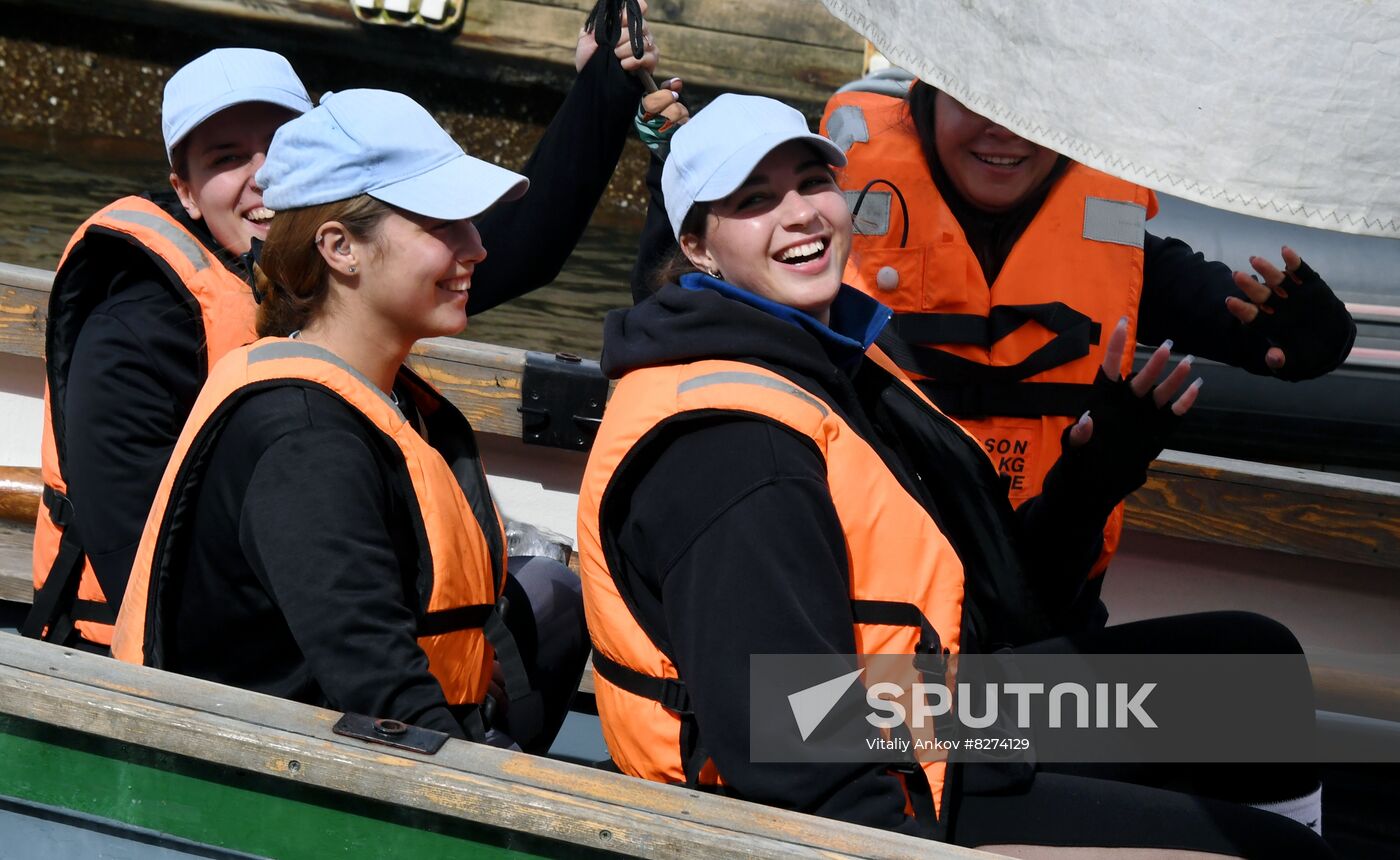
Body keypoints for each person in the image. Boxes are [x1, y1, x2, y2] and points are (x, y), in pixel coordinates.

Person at [577, 94, 1329, 855]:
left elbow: (1009, 602)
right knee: (1286, 857)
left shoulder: (836, 367)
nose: (801, 213)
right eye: (755, 201)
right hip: (881, 787)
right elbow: (794, 750)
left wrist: (1103, 463)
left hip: (930, 710)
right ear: (698, 247)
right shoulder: (739, 455)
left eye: (812, 184)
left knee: (1250, 667)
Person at [29, 24, 666, 650]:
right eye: (226, 158)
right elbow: (139, 566)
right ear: (185, 192)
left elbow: (522, 243)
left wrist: (603, 86)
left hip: (336, 605)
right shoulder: (128, 336)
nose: (262, 176)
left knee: (552, 594)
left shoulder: (341, 273)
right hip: (163, 656)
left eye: (280, 145)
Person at [110, 89, 586, 751]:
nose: (477, 247)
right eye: (442, 225)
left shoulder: (368, 399)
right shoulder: (306, 443)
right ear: (339, 248)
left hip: (364, 754)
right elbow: (389, 706)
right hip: (269, 800)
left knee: (555, 597)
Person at [819, 82, 1357, 627]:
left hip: (1035, 619)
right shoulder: (818, 244)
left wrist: (1317, 336)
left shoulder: (1117, 254)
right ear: (928, 103)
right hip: (879, 637)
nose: (1003, 128)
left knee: (1261, 658)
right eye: (975, 98)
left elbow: (1262, 335)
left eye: (1026, 102)